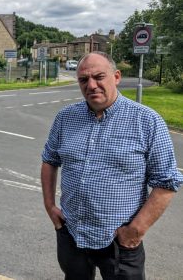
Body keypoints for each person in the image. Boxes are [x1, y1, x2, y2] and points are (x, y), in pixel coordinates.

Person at [41, 52, 183, 279]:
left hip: (119, 242)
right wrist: (50, 206)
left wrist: (136, 230)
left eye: (99, 77)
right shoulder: (65, 118)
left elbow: (167, 182)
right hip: (72, 233)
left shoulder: (147, 121)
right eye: (84, 80)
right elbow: (49, 160)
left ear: (116, 77)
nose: (92, 85)